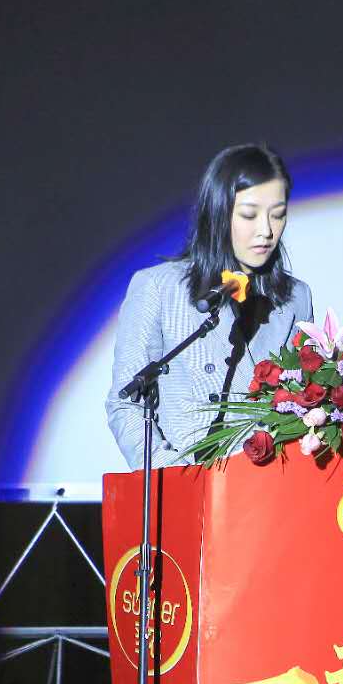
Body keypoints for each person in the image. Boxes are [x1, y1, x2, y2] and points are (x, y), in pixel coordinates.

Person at [106, 143, 314, 469]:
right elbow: (125, 403)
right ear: (218, 212)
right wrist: (170, 473)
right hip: (185, 480)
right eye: (249, 215)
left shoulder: (295, 297)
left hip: (268, 483)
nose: (266, 231)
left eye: (278, 214)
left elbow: (303, 402)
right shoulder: (158, 287)